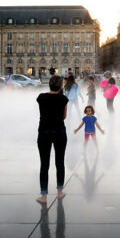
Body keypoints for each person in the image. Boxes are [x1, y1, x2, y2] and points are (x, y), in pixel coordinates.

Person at [36, 75, 69, 204]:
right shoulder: (63, 99)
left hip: (44, 131)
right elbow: (64, 116)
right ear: (61, 86)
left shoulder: (41, 97)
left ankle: (44, 196)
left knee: (44, 164)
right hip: (59, 131)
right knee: (59, 162)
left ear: (49, 84)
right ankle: (60, 192)